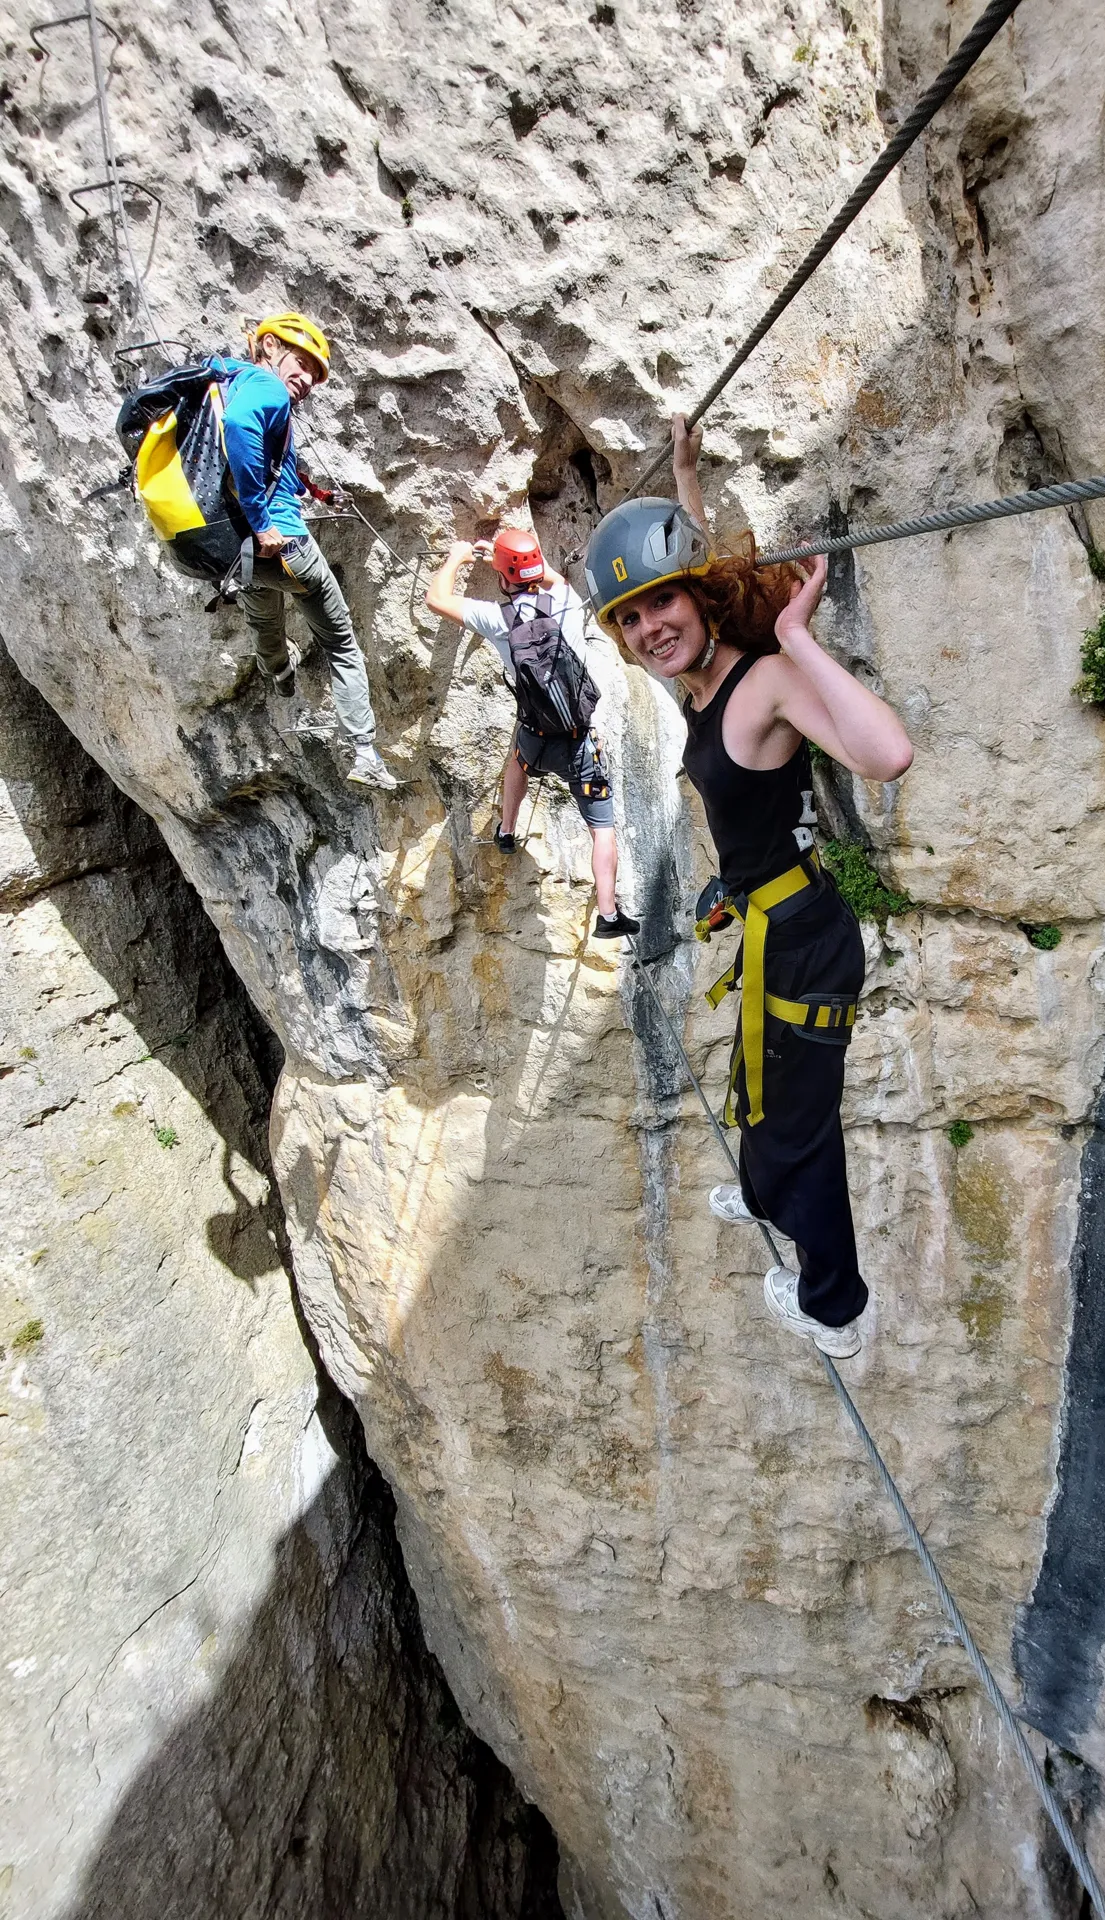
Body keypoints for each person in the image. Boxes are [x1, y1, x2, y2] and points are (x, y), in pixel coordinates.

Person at [583, 419, 913, 1359]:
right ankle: (765, 1194)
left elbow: (888, 754)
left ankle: (836, 1310)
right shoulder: (700, 684)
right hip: (772, 921)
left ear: (701, 598)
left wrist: (800, 638)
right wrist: (687, 479)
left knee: (801, 1123)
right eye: (632, 618)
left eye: (663, 604)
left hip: (806, 937)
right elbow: (693, 579)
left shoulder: (765, 680)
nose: (650, 628)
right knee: (758, 1076)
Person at [425, 529, 640, 939]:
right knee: (602, 829)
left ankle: (506, 830)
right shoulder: (566, 602)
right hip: (578, 743)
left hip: (535, 737)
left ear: (502, 577)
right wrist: (514, 562)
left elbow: (436, 599)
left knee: (518, 762)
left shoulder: (497, 619)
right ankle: (609, 915)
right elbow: (552, 579)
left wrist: (458, 556)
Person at [216, 312, 397, 790]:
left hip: (240, 555)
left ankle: (279, 673)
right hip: (285, 547)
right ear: (269, 346)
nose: (307, 381)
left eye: (315, 376)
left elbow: (274, 464)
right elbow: (240, 426)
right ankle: (365, 753)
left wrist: (319, 495)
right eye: (302, 364)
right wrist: (263, 523)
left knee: (264, 619)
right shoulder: (266, 388)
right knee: (342, 645)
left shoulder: (229, 382)